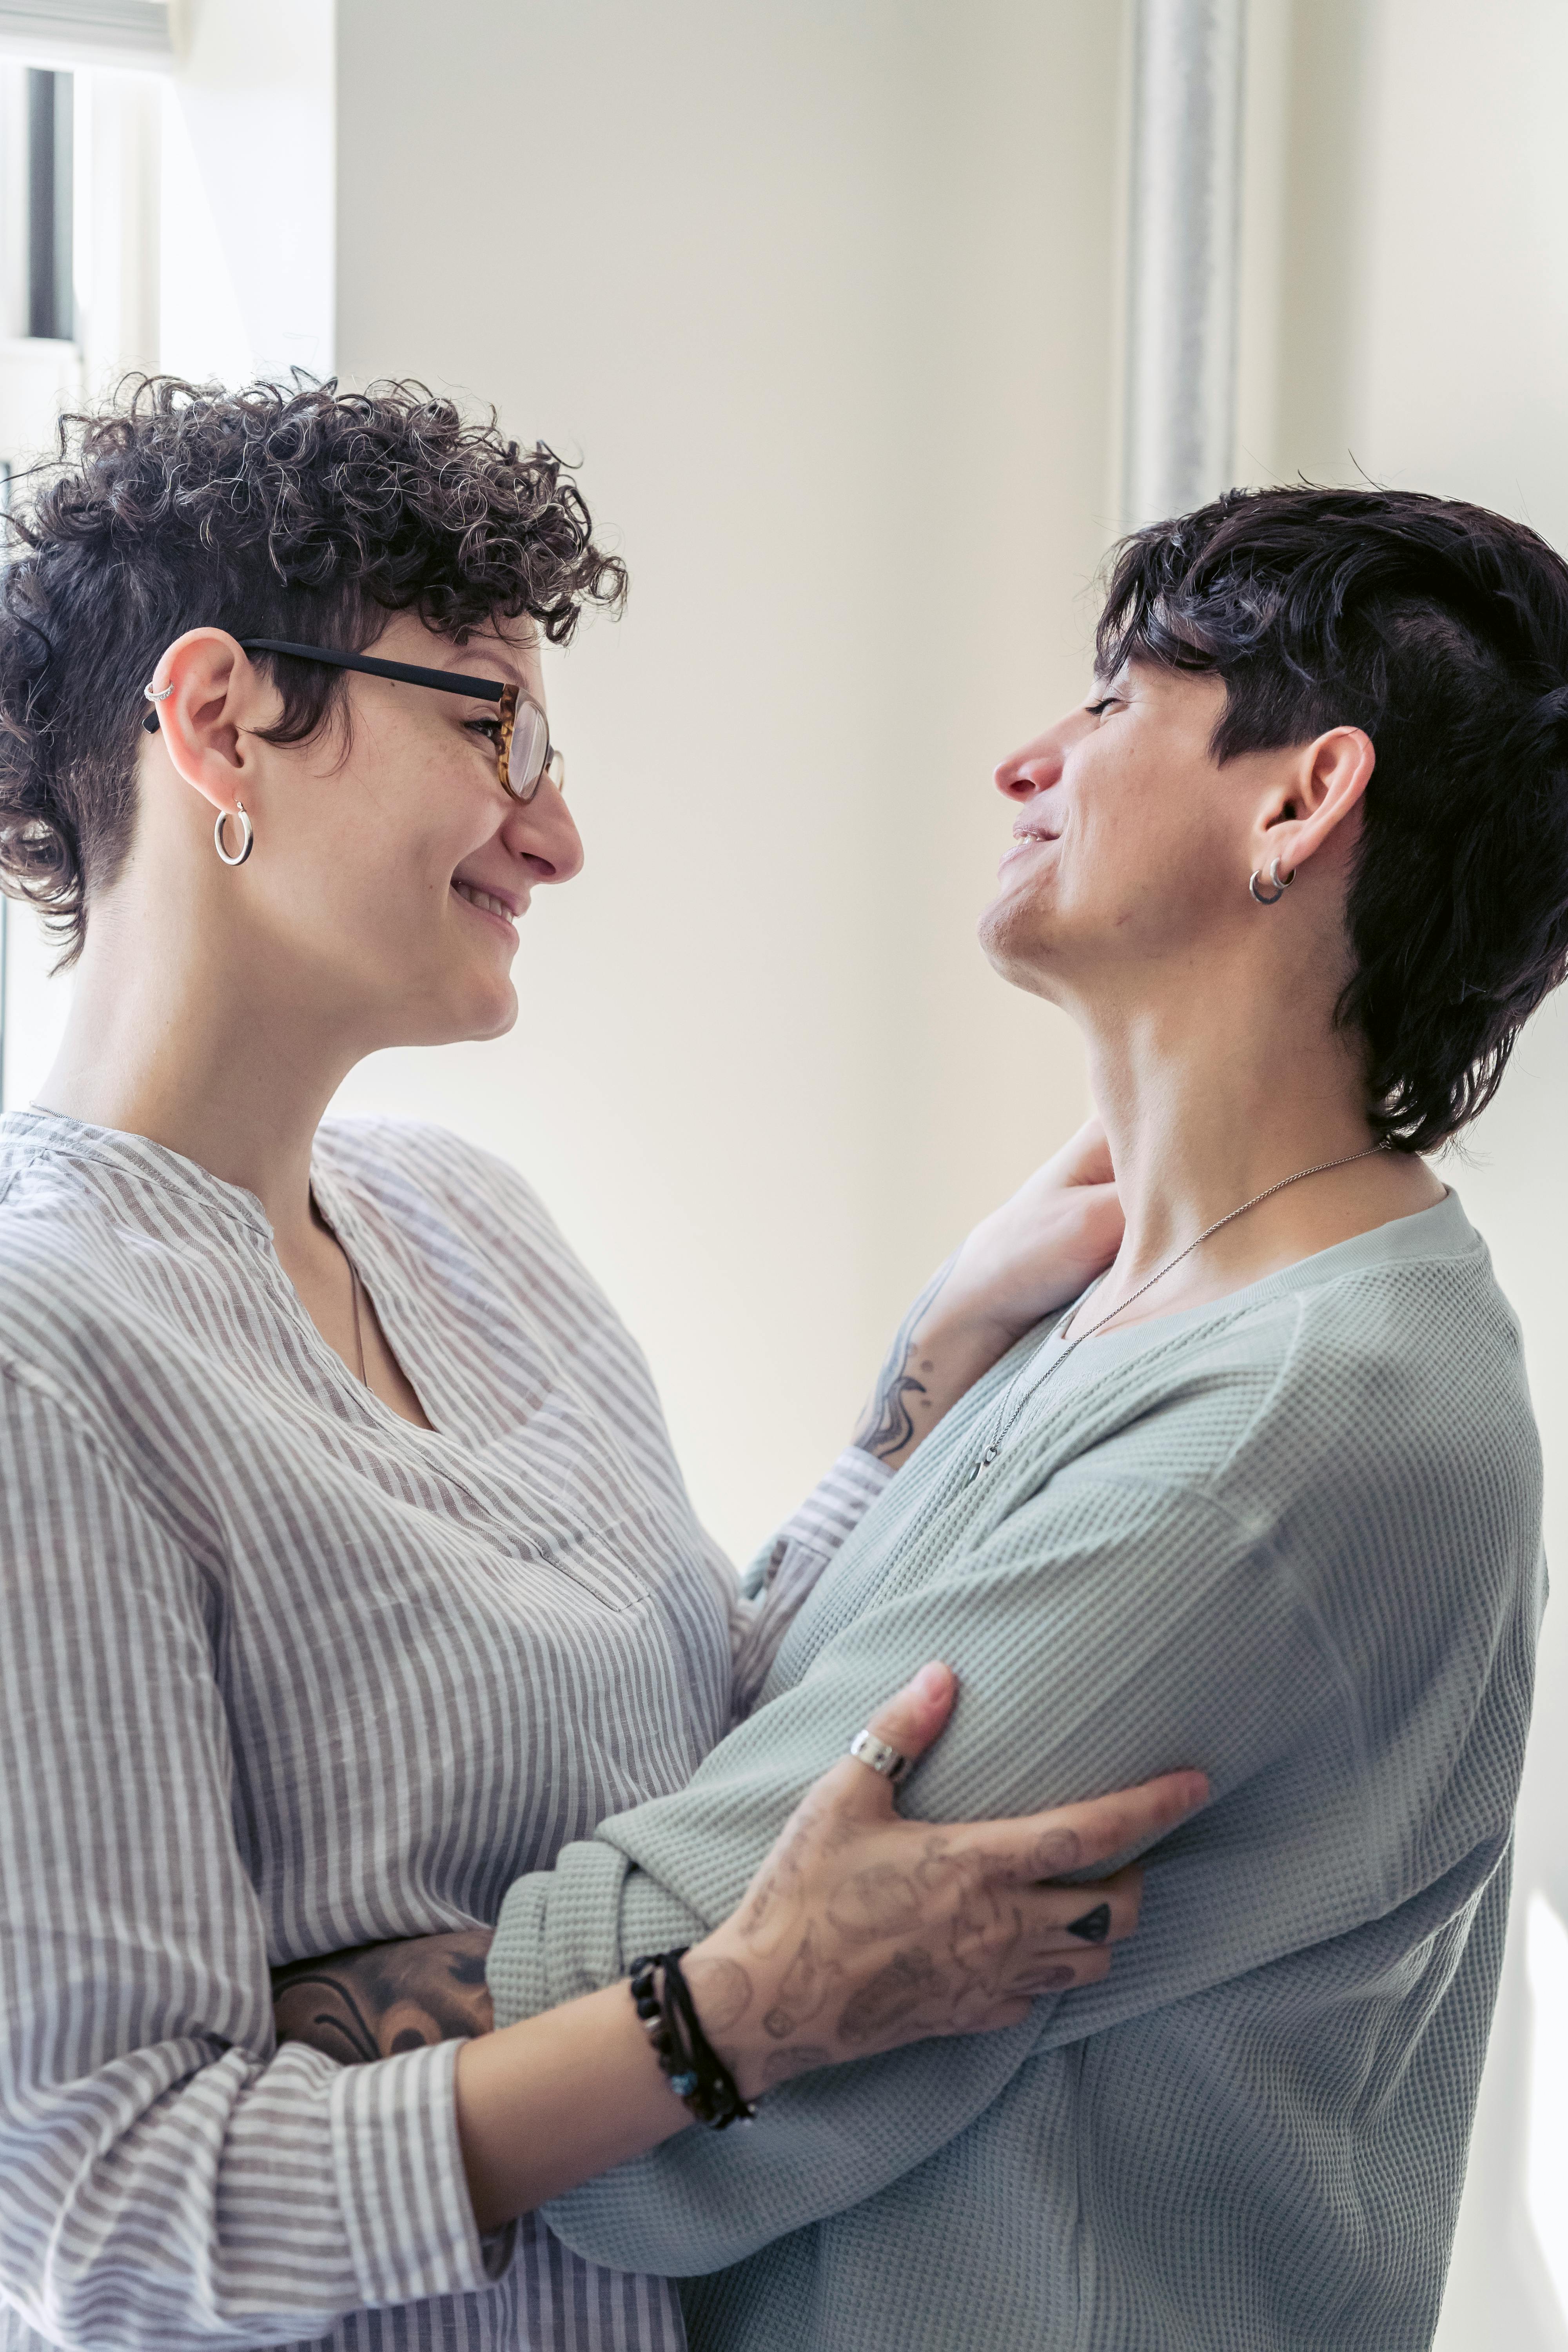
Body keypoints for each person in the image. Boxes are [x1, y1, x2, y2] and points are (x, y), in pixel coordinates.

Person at [0, 377, 1201, 2352]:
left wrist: (924, 1388)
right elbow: (102, 2222)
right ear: (220, 720)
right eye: (495, 727)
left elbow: (700, 1746)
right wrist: (733, 2017)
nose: (555, 832)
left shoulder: (474, 1231)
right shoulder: (48, 1356)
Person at [326, 484, 1559, 2351]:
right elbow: (751, 1751)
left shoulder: (1288, 1430)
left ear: (1300, 801)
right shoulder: (1134, 1312)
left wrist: (161, 2014)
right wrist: (924, 1384)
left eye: (1117, 701)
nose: (1026, 762)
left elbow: (677, 1993)